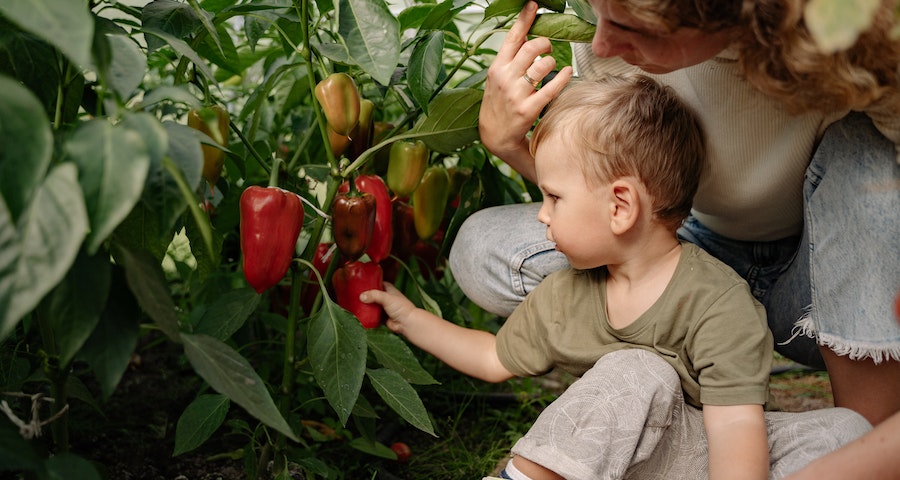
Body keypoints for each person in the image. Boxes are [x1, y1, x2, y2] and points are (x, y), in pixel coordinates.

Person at [362, 75, 870, 480]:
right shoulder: (565, 293)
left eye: (554, 197)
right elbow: (492, 358)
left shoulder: (717, 301)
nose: (541, 215)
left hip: (715, 456)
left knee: (849, 432)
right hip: (626, 454)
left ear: (621, 207)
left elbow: (736, 424)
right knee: (639, 370)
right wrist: (411, 319)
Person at [451, 0, 900, 427]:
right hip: (684, 261)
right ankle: (659, 400)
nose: (601, 43)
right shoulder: (613, 43)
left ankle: (862, 431)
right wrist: (507, 143)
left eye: (628, 26)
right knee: (485, 248)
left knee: (870, 156)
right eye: (599, 14)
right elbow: (601, 195)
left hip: (822, 290)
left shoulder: (855, 39)